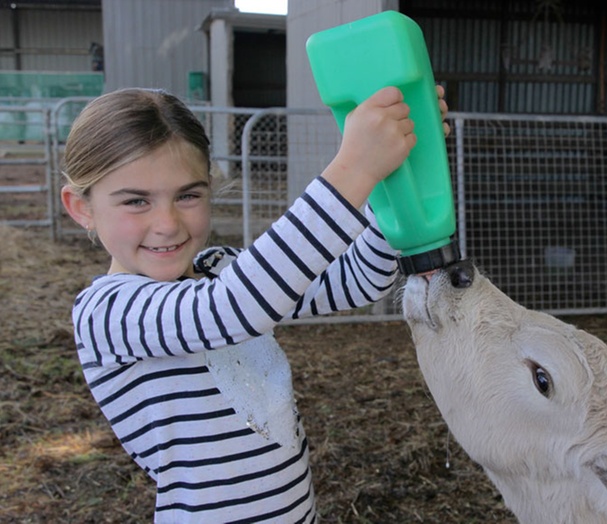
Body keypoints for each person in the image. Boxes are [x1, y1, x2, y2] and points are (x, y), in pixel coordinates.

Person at [60, 85, 450, 523]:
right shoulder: (106, 313)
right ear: (81, 207)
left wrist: (391, 175)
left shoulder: (220, 271)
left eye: (188, 195)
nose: (167, 224)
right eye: (136, 201)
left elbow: (357, 282)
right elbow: (231, 308)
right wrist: (356, 167)